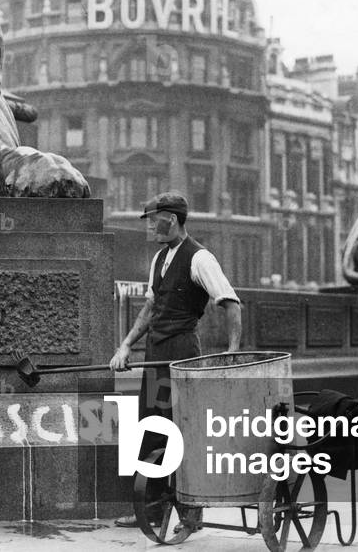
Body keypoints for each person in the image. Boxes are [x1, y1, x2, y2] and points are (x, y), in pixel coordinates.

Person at [109, 191, 242, 528]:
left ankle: (191, 512)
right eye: (150, 220)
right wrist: (125, 346)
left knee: (182, 430)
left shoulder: (200, 259)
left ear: (174, 219)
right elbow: (151, 308)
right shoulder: (159, 259)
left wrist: (232, 352)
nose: (152, 226)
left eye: (156, 219)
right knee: (152, 429)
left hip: (182, 354)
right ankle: (152, 508)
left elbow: (231, 303)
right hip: (156, 354)